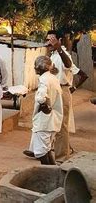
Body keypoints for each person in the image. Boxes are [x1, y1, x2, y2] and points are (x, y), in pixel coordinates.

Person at [45, 30, 76, 160]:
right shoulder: (53, 56)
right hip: (54, 91)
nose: (49, 42)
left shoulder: (63, 54)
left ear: (59, 40)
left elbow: (68, 65)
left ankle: (62, 157)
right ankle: (62, 149)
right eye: (48, 40)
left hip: (62, 91)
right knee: (54, 123)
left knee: (61, 124)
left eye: (52, 40)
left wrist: (59, 49)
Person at [28, 56, 63, 165]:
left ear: (39, 68)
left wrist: (44, 106)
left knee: (41, 153)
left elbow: (41, 97)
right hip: (54, 121)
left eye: (35, 66)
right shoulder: (54, 78)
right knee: (47, 150)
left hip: (44, 122)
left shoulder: (43, 79)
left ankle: (47, 176)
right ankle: (54, 174)